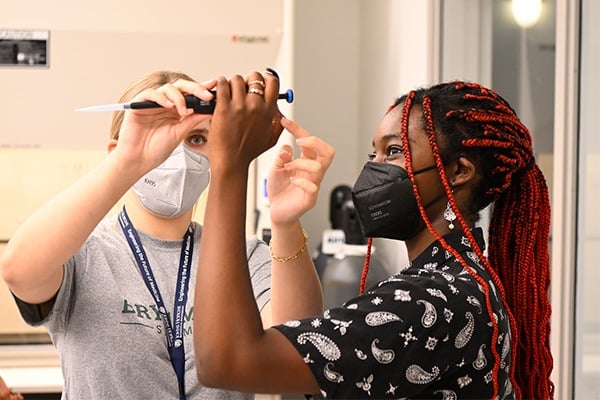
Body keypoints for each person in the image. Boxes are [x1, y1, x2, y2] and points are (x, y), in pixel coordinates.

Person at [193, 76, 553, 399]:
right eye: (374, 153)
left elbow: (226, 361)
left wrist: (230, 164)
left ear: (459, 171)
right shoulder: (459, 283)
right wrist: (286, 224)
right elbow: (298, 357)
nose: (374, 169)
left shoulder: (431, 301)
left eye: (393, 151)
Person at [0, 70, 323, 399]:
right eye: (163, 136)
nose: (178, 154)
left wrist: (285, 223)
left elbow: (296, 345)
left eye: (196, 139)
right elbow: (19, 271)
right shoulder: (81, 253)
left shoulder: (246, 255)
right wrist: (132, 158)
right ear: (115, 151)